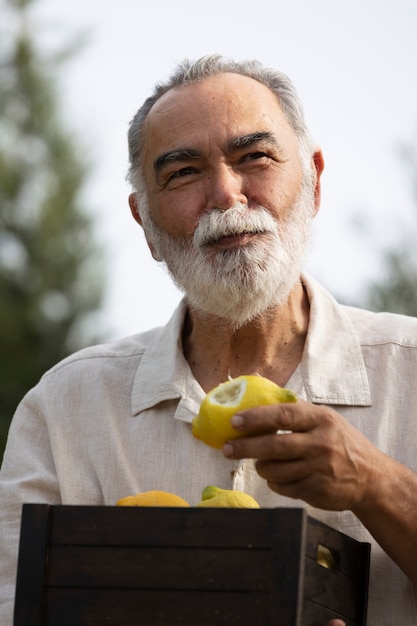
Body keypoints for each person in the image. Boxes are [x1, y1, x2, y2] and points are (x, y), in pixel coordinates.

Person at [1, 54, 417, 626]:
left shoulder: (410, 373)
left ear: (315, 181)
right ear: (144, 222)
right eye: (183, 173)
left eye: (255, 158)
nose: (225, 193)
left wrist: (373, 481)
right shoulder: (64, 410)